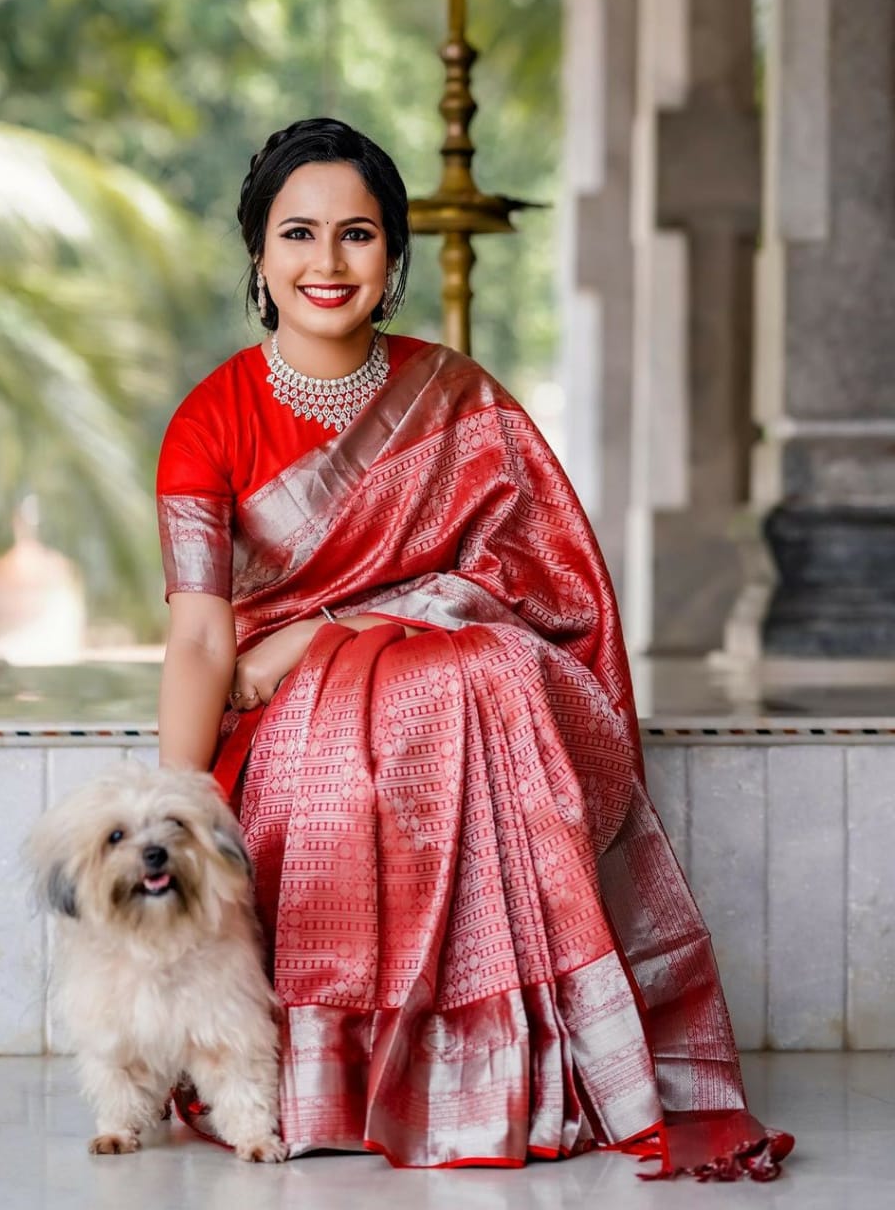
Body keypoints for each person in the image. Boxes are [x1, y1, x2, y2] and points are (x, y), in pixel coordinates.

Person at [155, 118, 792, 1177]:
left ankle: (511, 1074)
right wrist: (171, 823)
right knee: (438, 689)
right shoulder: (209, 420)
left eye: (356, 235)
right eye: (298, 234)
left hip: (428, 672)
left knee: (477, 672)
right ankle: (344, 1076)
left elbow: (531, 578)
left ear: (393, 257)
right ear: (258, 255)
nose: (327, 262)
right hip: (289, 722)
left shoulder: (456, 396)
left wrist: (334, 625)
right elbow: (198, 634)